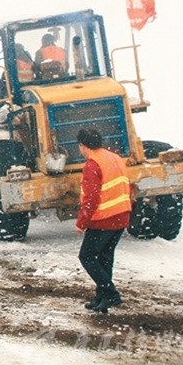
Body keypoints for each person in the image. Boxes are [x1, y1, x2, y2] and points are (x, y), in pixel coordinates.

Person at [75, 128, 131, 313]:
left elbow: (91, 198)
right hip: (121, 216)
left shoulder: (93, 164)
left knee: (87, 257)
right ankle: (102, 297)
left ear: (83, 146)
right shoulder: (114, 158)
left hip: (104, 220)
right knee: (105, 258)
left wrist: (82, 222)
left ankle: (111, 294)